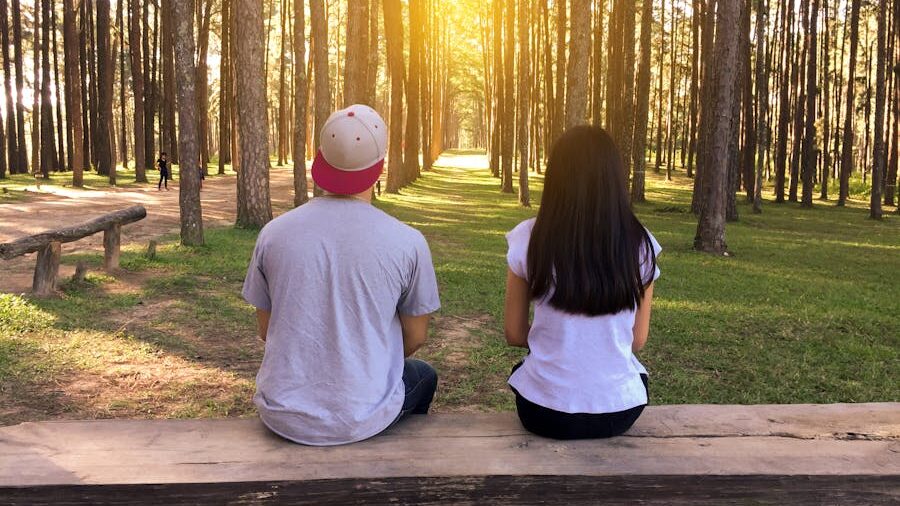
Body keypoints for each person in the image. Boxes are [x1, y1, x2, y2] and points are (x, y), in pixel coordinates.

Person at [242, 105, 441, 446]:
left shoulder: (273, 234)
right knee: (423, 375)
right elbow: (416, 336)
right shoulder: (408, 242)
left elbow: (265, 330)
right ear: (380, 166)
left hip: (281, 412)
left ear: (320, 158)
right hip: (360, 417)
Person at [503, 126, 661, 440]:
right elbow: (637, 340)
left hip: (543, 411)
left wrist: (556, 342)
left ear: (555, 179)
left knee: (523, 373)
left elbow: (514, 333)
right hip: (619, 411)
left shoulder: (528, 238)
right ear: (615, 181)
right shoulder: (642, 244)